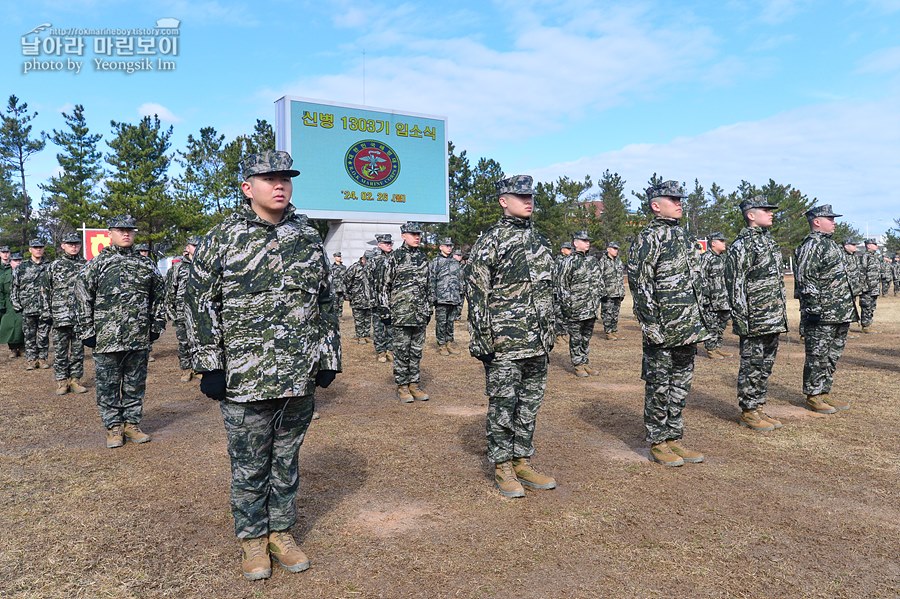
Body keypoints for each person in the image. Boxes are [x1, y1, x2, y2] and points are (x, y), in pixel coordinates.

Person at [185, 150, 340, 581]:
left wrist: (328, 356)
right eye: (268, 178)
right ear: (246, 187)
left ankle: (282, 532)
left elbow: (325, 300)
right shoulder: (224, 237)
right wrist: (209, 364)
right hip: (244, 375)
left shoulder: (306, 236)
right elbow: (197, 302)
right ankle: (253, 539)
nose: (280, 185)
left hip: (297, 372)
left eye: (285, 178)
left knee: (286, 458)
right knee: (250, 462)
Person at [466, 174, 557, 498]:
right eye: (520, 196)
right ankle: (502, 466)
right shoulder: (490, 241)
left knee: (529, 405)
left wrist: (550, 330)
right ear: (504, 200)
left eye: (530, 195)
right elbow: (477, 293)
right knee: (504, 406)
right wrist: (483, 340)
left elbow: (551, 289)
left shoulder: (540, 241)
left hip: (537, 341)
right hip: (504, 342)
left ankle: (522, 459)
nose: (528, 200)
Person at [627, 180, 708, 467]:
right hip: (663, 327)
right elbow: (641, 283)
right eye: (673, 200)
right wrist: (651, 325)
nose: (679, 203)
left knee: (680, 385)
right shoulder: (649, 238)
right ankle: (658, 441)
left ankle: (674, 437)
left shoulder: (684, 237)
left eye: (680, 199)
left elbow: (696, 282)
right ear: (656, 205)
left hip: (687, 327)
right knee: (659, 386)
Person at [75, 215, 166, 448]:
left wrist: (156, 325)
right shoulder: (97, 263)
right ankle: (113, 427)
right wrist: (87, 330)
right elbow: (83, 296)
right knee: (107, 384)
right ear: (110, 233)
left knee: (135, 383)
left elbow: (159, 296)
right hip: (107, 337)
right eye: (120, 230)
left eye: (130, 230)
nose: (126, 234)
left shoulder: (146, 264)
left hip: (138, 336)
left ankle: (132, 424)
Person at [725, 196, 788, 433]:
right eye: (766, 210)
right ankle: (749, 410)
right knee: (752, 363)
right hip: (754, 317)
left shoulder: (767, 242)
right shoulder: (743, 245)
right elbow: (735, 283)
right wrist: (742, 318)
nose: (771, 213)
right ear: (751, 215)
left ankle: (759, 405)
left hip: (771, 316)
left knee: (766, 364)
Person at [794, 205, 857, 414]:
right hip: (822, 314)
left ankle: (824, 391)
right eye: (829, 218)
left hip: (839, 311)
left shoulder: (830, 245)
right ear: (816, 221)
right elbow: (806, 278)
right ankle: (813, 395)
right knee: (817, 355)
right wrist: (813, 310)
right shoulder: (812, 245)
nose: (834, 221)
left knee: (832, 355)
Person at [379, 221, 433, 402]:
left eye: (418, 234)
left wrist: (429, 309)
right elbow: (384, 287)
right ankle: (402, 387)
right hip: (400, 313)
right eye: (412, 234)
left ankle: (414, 385)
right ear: (403, 236)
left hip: (419, 314)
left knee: (416, 351)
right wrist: (385, 312)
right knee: (401, 351)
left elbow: (429, 286)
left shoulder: (424, 258)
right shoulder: (394, 258)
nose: (417, 237)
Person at [42, 233, 88, 395]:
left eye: (76, 243)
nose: (73, 246)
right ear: (63, 245)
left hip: (80, 317)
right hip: (60, 316)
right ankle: (62, 381)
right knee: (60, 351)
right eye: (70, 243)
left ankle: (75, 380)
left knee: (78, 351)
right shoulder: (54, 266)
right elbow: (45, 290)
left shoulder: (86, 265)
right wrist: (47, 313)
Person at [556, 230, 603, 377]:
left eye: (588, 240)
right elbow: (562, 286)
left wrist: (597, 300)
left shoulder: (592, 261)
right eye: (584, 240)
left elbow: (599, 282)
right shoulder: (568, 262)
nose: (588, 243)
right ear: (575, 243)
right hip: (575, 308)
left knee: (586, 337)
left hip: (591, 307)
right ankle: (577, 364)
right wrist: (568, 306)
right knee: (576, 337)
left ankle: (585, 362)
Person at [12, 239, 51, 370]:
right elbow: (15, 287)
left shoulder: (49, 266)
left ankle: (42, 358)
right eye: (35, 247)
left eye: (40, 247)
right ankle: (31, 359)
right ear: (30, 250)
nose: (38, 249)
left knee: (44, 335)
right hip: (27, 307)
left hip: (45, 307)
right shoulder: (21, 267)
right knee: (29, 335)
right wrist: (16, 303)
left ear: (43, 249)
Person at [165, 237, 199, 382]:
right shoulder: (178, 267)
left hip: (200, 312)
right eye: (193, 245)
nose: (196, 248)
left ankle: (199, 368)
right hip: (182, 312)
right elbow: (170, 291)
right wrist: (171, 312)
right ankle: (186, 369)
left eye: (198, 245)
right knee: (184, 342)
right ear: (187, 247)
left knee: (199, 342)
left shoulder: (205, 266)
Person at [699, 232, 732, 359]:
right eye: (721, 241)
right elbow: (701, 278)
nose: (724, 243)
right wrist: (705, 298)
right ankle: (711, 349)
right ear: (713, 243)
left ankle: (717, 347)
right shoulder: (706, 258)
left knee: (721, 324)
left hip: (723, 299)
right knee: (711, 324)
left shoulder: (722, 257)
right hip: (711, 299)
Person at [429, 237, 465, 356]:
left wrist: (460, 293)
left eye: (450, 246)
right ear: (441, 247)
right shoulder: (435, 262)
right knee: (441, 322)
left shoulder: (455, 262)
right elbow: (431, 279)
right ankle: (441, 344)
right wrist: (433, 296)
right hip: (441, 298)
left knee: (450, 322)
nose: (449, 248)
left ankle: (449, 342)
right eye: (446, 245)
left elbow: (460, 279)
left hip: (454, 297)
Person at [368, 233, 394, 362]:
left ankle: (390, 349)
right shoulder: (374, 260)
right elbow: (367, 281)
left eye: (390, 243)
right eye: (386, 243)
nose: (389, 245)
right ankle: (380, 351)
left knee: (391, 326)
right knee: (378, 327)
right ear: (379, 245)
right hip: (377, 298)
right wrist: (371, 298)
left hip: (392, 299)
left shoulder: (396, 258)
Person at [344, 250, 375, 343]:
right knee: (359, 318)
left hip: (369, 298)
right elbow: (346, 281)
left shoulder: (371, 268)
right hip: (357, 298)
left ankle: (366, 335)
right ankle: (360, 336)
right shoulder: (354, 268)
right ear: (363, 258)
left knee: (368, 318)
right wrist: (348, 294)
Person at [598, 241, 626, 340]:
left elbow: (621, 277)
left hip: (617, 293)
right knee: (607, 313)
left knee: (615, 313)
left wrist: (622, 291)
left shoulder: (618, 261)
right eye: (614, 248)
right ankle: (608, 332)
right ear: (608, 249)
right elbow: (599, 277)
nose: (616, 251)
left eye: (617, 249)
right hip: (608, 293)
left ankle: (614, 330)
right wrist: (603, 292)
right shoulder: (603, 261)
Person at [0, 252, 25, 358]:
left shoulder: (26, 272)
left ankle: (23, 347)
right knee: (10, 326)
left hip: (23, 302)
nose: (18, 262)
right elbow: (0, 290)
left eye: (20, 260)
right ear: (10, 262)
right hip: (8, 303)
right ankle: (13, 349)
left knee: (23, 325)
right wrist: (1, 305)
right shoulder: (5, 275)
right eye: (15, 260)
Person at [858, 239, 881, 333]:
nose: (876, 246)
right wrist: (863, 286)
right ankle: (866, 326)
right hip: (867, 287)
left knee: (872, 307)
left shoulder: (875, 257)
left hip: (874, 287)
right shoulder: (865, 256)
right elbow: (862, 272)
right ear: (868, 245)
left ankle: (869, 324)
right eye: (874, 244)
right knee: (866, 306)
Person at [553, 241, 573, 339]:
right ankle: (559, 332)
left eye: (570, 249)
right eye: (568, 249)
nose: (570, 250)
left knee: (566, 310)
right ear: (562, 250)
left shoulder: (570, 260)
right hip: (557, 290)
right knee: (558, 311)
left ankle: (565, 330)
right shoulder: (558, 260)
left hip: (566, 290)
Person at [330, 252, 347, 317]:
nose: (339, 258)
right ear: (335, 257)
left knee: (340, 303)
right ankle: (335, 317)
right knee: (335, 303)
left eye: (340, 256)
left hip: (342, 288)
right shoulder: (331, 267)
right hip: (334, 288)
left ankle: (340, 316)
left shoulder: (344, 267)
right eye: (337, 256)